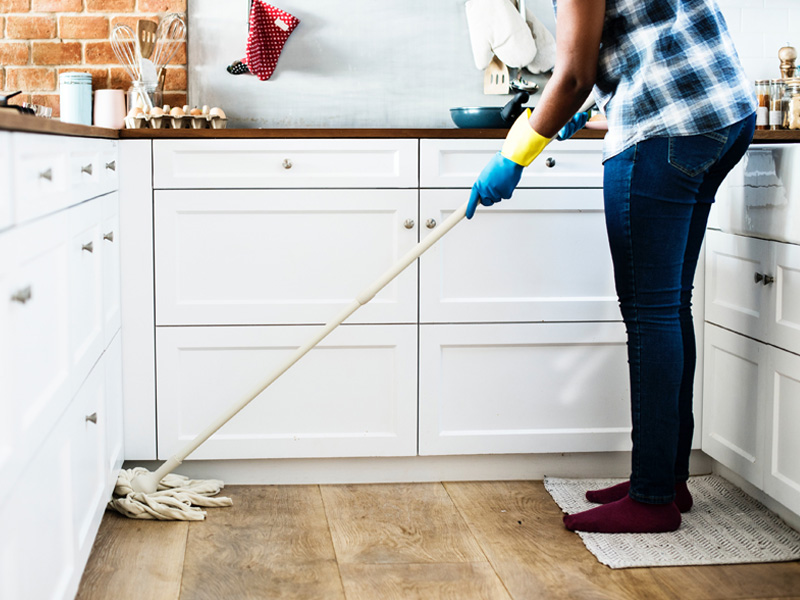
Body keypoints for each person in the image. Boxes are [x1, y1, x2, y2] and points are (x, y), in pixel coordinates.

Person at [467, 0, 756, 534]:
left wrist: (515, 154)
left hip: (666, 127)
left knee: (650, 313)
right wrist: (596, 94)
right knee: (669, 307)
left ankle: (651, 500)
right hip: (722, 115)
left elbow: (572, 74)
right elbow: (633, 35)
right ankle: (665, 478)